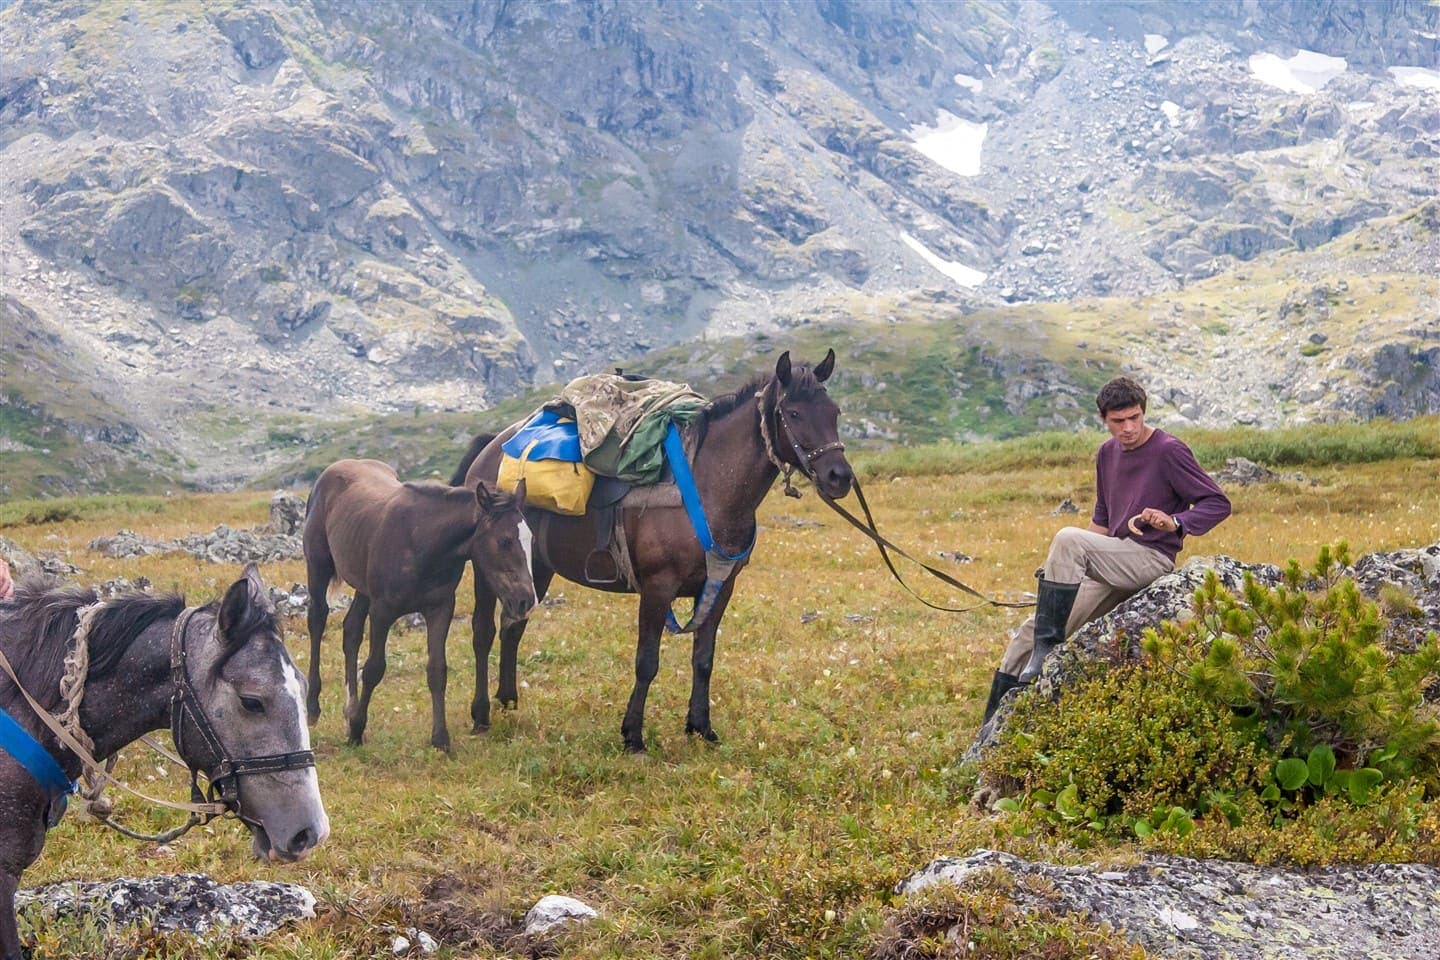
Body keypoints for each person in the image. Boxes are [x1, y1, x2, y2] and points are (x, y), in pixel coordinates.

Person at [982, 376, 1232, 723]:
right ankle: (991, 728)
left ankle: (1046, 652)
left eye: (1135, 417)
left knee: (1067, 539)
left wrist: (1175, 522)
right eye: (1119, 421)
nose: (1128, 428)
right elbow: (1102, 517)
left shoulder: (1169, 450)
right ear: (1103, 418)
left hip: (1150, 559)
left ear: (1143, 412)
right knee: (1029, 632)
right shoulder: (1106, 453)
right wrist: (1064, 565)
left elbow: (1218, 503)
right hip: (1113, 559)